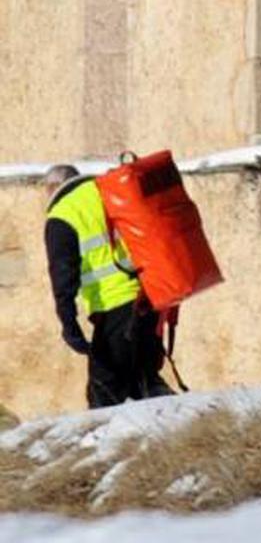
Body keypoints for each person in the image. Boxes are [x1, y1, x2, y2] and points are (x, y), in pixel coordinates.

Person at [43, 164, 174, 408]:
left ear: (52, 188)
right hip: (150, 298)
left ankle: (100, 444)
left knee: (103, 393)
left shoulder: (62, 215)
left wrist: (69, 326)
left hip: (114, 308)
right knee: (144, 381)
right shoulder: (110, 192)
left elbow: (63, 277)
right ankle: (182, 429)